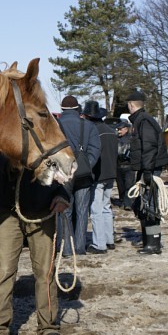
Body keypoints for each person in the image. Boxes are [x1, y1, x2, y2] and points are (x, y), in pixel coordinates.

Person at [0, 154, 70, 335]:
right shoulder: (6, 127)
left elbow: (71, 166)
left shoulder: (50, 128)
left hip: (42, 212)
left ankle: (48, 328)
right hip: (9, 213)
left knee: (45, 273)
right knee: (3, 272)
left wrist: (63, 194)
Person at [56, 95, 100, 256]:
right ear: (77, 109)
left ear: (62, 108)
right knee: (82, 211)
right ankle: (80, 247)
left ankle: (67, 249)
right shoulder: (88, 125)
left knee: (65, 211)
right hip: (83, 173)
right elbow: (95, 149)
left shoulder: (56, 125)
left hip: (62, 173)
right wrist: (87, 165)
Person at [126, 90, 168, 254]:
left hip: (149, 168)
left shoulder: (144, 121)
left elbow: (149, 147)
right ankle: (148, 241)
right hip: (146, 167)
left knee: (150, 204)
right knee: (143, 204)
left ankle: (153, 244)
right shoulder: (142, 120)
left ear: (131, 105)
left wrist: (147, 171)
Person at [81, 101, 118, 254]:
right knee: (106, 208)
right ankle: (109, 240)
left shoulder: (93, 132)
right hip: (111, 173)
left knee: (96, 210)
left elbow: (94, 155)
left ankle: (99, 244)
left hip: (99, 175)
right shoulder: (110, 130)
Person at [114, 120, 135, 211]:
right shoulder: (115, 139)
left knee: (129, 185)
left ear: (126, 129)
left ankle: (128, 203)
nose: (118, 131)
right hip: (118, 166)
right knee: (120, 185)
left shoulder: (132, 139)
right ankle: (122, 200)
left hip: (128, 166)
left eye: (120, 129)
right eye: (118, 129)